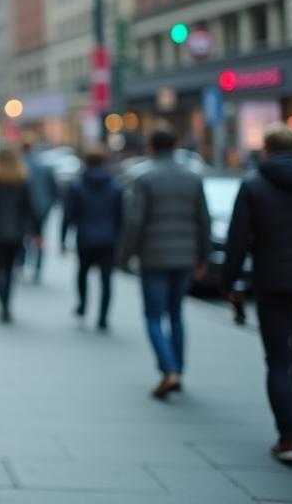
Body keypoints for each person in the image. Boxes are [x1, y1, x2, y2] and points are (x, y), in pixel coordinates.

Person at [221, 123, 292, 465]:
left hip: (272, 283)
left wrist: (230, 285)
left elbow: (238, 240)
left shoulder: (254, 185)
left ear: (265, 150)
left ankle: (288, 436)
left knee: (278, 361)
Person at [120, 124, 210, 400]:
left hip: (154, 256)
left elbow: (135, 220)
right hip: (184, 255)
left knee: (153, 314)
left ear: (151, 147)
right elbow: (203, 220)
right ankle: (178, 370)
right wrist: (202, 256)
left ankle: (168, 368)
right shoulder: (193, 178)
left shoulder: (145, 178)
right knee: (176, 312)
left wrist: (125, 255)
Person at [61, 144, 123, 331]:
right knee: (106, 279)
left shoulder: (77, 185)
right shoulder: (115, 187)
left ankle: (82, 304)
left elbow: (69, 214)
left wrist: (62, 239)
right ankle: (103, 316)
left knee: (82, 273)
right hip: (108, 239)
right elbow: (121, 217)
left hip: (85, 238)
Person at [0, 147, 39, 322]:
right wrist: (35, 231)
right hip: (16, 232)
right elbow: (30, 209)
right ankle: (7, 301)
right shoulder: (22, 181)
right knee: (10, 269)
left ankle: (2, 301)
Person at [21, 138, 58, 283]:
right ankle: (37, 266)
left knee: (23, 237)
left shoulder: (19, 166)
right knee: (39, 238)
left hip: (24, 209)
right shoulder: (43, 166)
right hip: (42, 208)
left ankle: (22, 263)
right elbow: (53, 190)